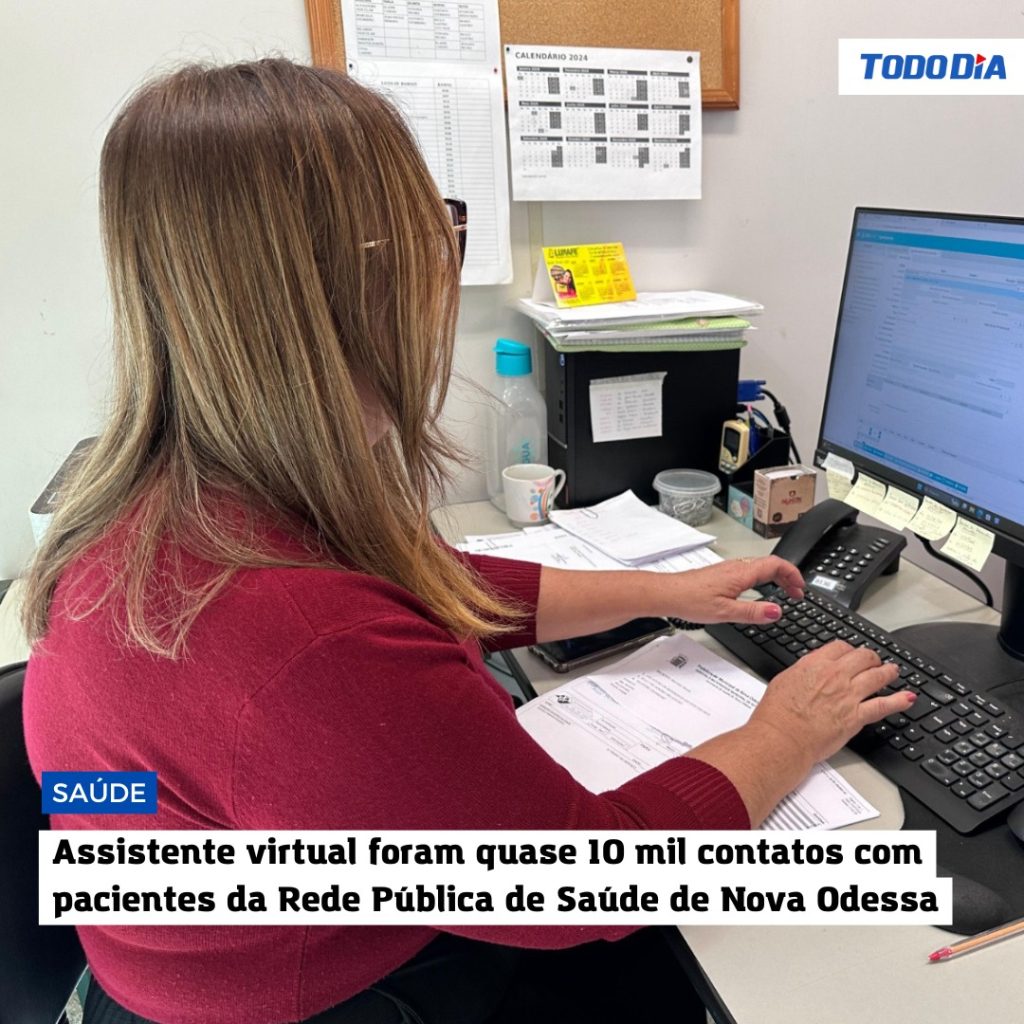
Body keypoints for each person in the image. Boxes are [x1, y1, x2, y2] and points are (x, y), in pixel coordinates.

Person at [21, 59, 911, 1024]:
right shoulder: (297, 641)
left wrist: (665, 591)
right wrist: (785, 731)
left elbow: (420, 584)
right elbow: (586, 884)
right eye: (434, 243)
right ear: (348, 292)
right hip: (319, 998)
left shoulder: (165, 502)